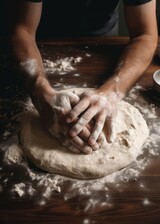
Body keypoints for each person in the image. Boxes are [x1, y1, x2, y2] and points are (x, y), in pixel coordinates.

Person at [7, 0, 157, 154]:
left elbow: (144, 34)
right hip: (39, 42)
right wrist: (40, 92)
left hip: (102, 39)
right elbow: (22, 30)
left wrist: (112, 91)